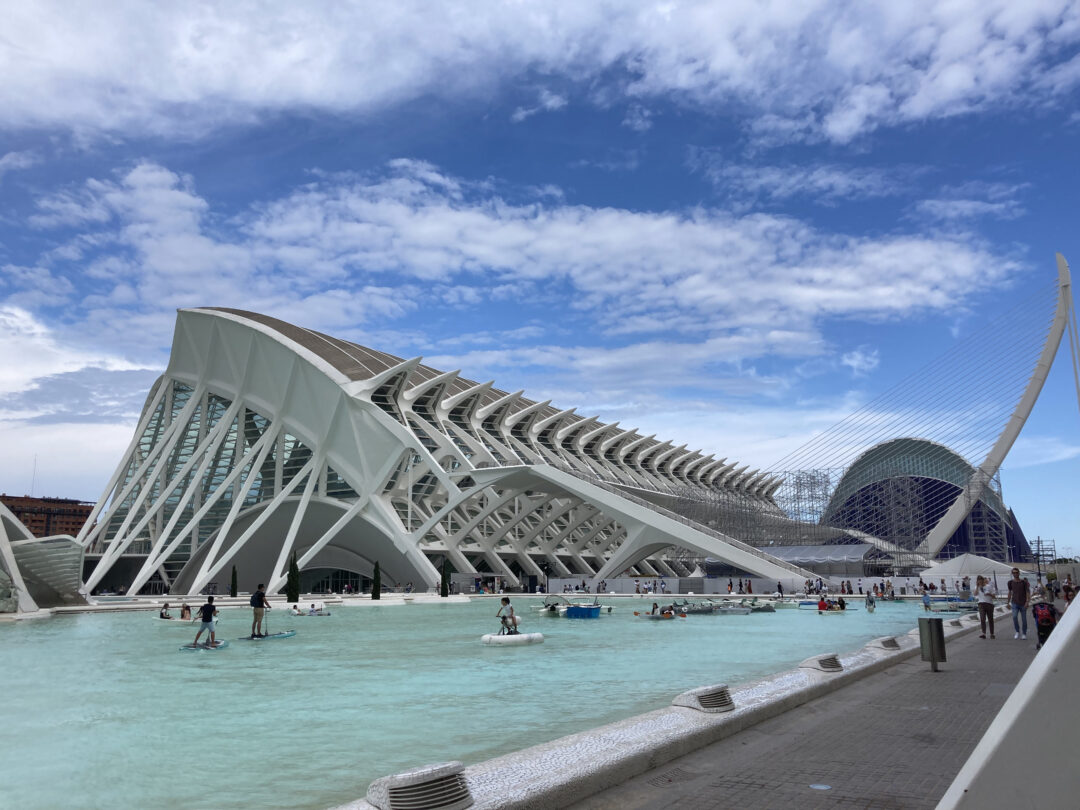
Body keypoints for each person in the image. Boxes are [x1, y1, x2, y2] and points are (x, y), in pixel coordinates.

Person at [1007, 567, 1030, 640]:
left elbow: (1027, 592)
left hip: (1023, 603)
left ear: (1019, 573)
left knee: (1024, 620)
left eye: (1016, 572)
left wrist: (1027, 601)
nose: (1015, 574)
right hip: (1014, 603)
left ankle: (1024, 633)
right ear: (1012, 574)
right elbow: (1010, 592)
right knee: (1014, 617)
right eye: (1014, 573)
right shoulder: (1010, 582)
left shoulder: (1024, 582)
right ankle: (1017, 631)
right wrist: (1007, 602)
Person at [974, 575, 996, 639]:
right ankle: (983, 633)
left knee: (990, 619)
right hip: (981, 604)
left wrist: (989, 594)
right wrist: (977, 587)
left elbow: (994, 596)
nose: (980, 581)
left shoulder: (989, 587)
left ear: (983, 580)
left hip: (989, 604)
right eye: (978, 580)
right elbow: (975, 594)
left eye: (981, 580)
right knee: (982, 618)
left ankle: (992, 633)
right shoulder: (976, 587)